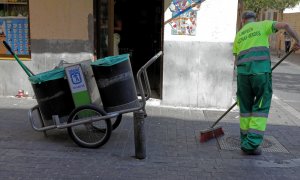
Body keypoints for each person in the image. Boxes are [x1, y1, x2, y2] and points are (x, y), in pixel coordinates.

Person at [232, 11, 300, 155]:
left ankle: (245, 140)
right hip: (260, 73)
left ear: (243, 20)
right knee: (261, 106)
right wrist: (298, 41)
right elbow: (286, 25)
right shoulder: (262, 25)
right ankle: (251, 145)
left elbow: (236, 61)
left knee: (245, 109)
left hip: (243, 76)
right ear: (254, 19)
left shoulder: (239, 35)